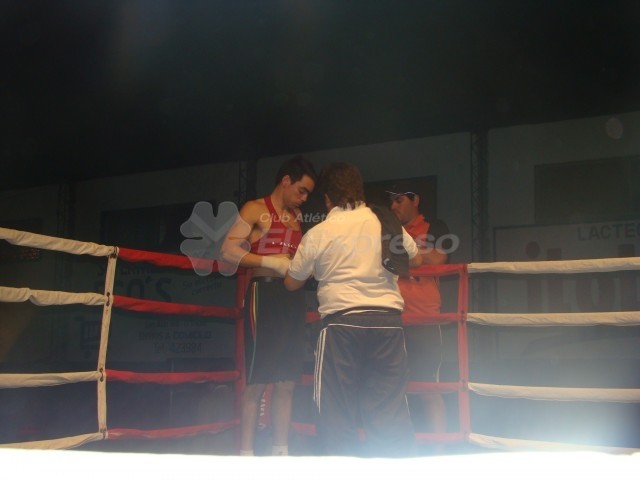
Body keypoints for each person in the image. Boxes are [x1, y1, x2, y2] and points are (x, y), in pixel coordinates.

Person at [284, 162, 422, 457]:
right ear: (359, 191)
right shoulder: (385, 222)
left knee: (335, 411)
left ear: (327, 199)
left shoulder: (320, 232)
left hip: (342, 325)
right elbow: (416, 259)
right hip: (387, 323)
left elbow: (292, 283)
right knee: (389, 410)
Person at [220, 155, 316, 456]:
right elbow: (227, 250)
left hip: (292, 299)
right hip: (264, 296)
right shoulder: (255, 209)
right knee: (257, 381)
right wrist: (270, 262)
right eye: (301, 190)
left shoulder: (297, 217)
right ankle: (246, 458)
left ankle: (280, 454)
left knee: (287, 381)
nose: (303, 198)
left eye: (308, 194)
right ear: (285, 181)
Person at [387, 181, 450, 451]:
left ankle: (438, 453)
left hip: (424, 320)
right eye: (391, 201)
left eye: (399, 200)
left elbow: (438, 259)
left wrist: (404, 253)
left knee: (428, 390)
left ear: (415, 200)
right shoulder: (388, 230)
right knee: (393, 390)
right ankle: (401, 449)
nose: (393, 206)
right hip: (393, 319)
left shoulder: (434, 226)